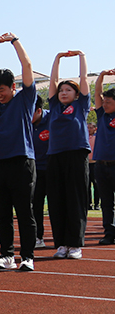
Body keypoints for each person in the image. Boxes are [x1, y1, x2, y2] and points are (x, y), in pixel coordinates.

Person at [0, 32, 38, 272]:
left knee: (25, 212)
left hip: (22, 161)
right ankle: (7, 255)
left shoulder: (25, 99)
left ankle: (27, 256)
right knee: (2, 213)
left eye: (3, 90)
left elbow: (27, 65)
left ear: (13, 87)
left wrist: (14, 42)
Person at [47, 51, 91, 259]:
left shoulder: (80, 106)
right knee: (57, 200)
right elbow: (53, 80)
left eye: (68, 90)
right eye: (61, 90)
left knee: (75, 199)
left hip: (76, 155)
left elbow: (83, 79)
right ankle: (62, 244)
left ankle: (75, 244)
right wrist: (57, 59)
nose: (64, 93)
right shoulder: (54, 106)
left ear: (76, 94)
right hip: (55, 156)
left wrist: (81, 56)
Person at [92, 69, 115, 246]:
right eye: (104, 101)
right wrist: (101, 76)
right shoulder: (101, 115)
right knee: (106, 203)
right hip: (101, 165)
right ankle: (109, 233)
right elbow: (97, 92)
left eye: (109, 101)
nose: (105, 104)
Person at [31, 96, 50, 249]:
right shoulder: (24, 122)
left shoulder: (52, 118)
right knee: (36, 205)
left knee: (57, 204)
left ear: (39, 110)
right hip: (34, 170)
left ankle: (62, 239)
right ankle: (38, 237)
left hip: (53, 169)